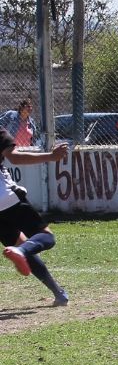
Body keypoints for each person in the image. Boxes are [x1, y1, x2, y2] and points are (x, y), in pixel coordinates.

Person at [1, 129, 70, 306]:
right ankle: (21, 251)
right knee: (47, 237)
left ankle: (59, 294)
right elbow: (15, 157)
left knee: (21, 245)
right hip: (6, 197)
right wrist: (51, 156)